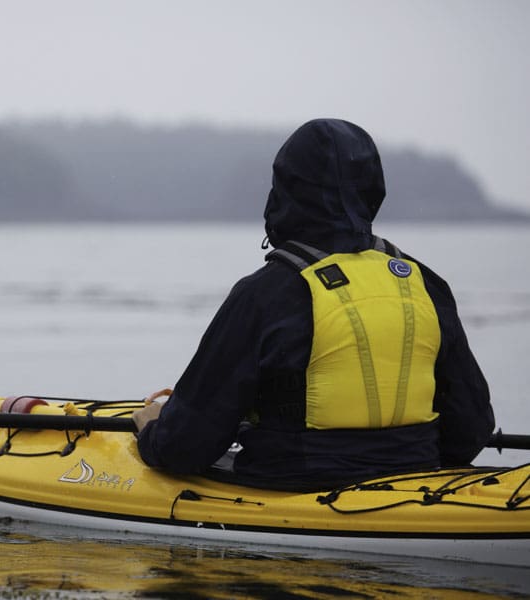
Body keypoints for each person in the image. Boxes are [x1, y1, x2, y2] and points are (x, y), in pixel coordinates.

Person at [132, 118, 495, 490]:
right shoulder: (424, 284)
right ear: (372, 191)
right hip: (415, 476)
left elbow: (182, 449)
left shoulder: (265, 295)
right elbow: (471, 430)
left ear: (285, 191)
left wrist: (152, 428)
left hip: (295, 483)